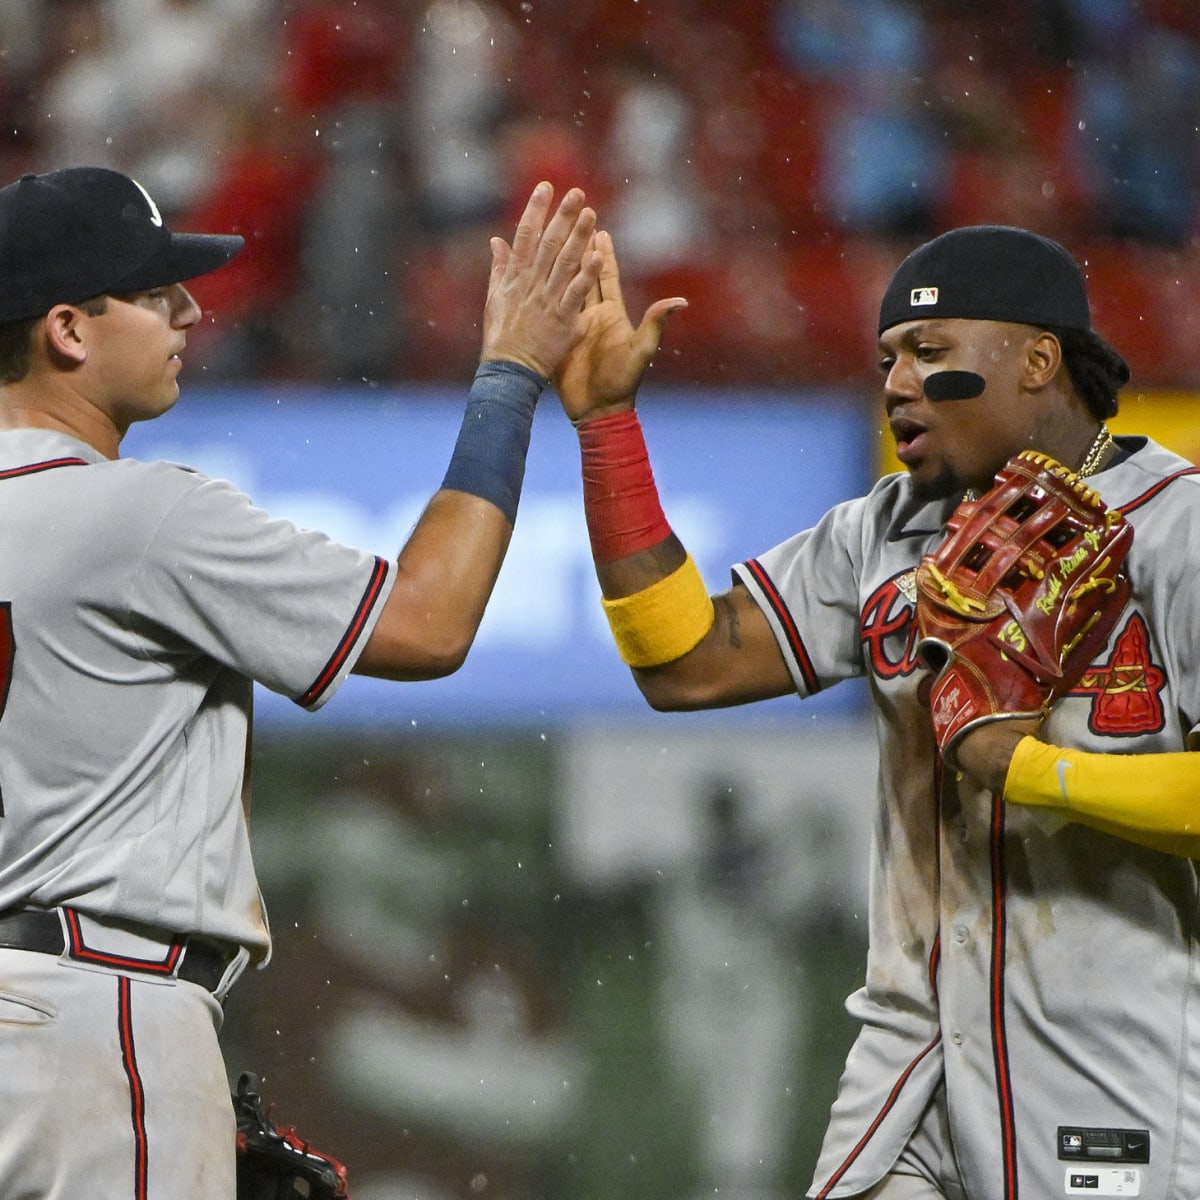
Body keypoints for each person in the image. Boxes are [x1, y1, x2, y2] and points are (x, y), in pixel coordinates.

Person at [554, 223, 1200, 1199]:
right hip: (908, 1050)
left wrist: (1026, 770)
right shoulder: (884, 530)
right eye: (888, 357)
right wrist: (606, 427)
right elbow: (687, 662)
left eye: (930, 355)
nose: (897, 382)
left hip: (1117, 1046)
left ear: (1039, 360)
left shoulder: (1180, 529)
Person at [0, 165, 601, 1198]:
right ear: (67, 329)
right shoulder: (141, 515)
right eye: (154, 294)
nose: (190, 309)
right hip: (105, 1011)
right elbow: (426, 621)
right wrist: (510, 375)